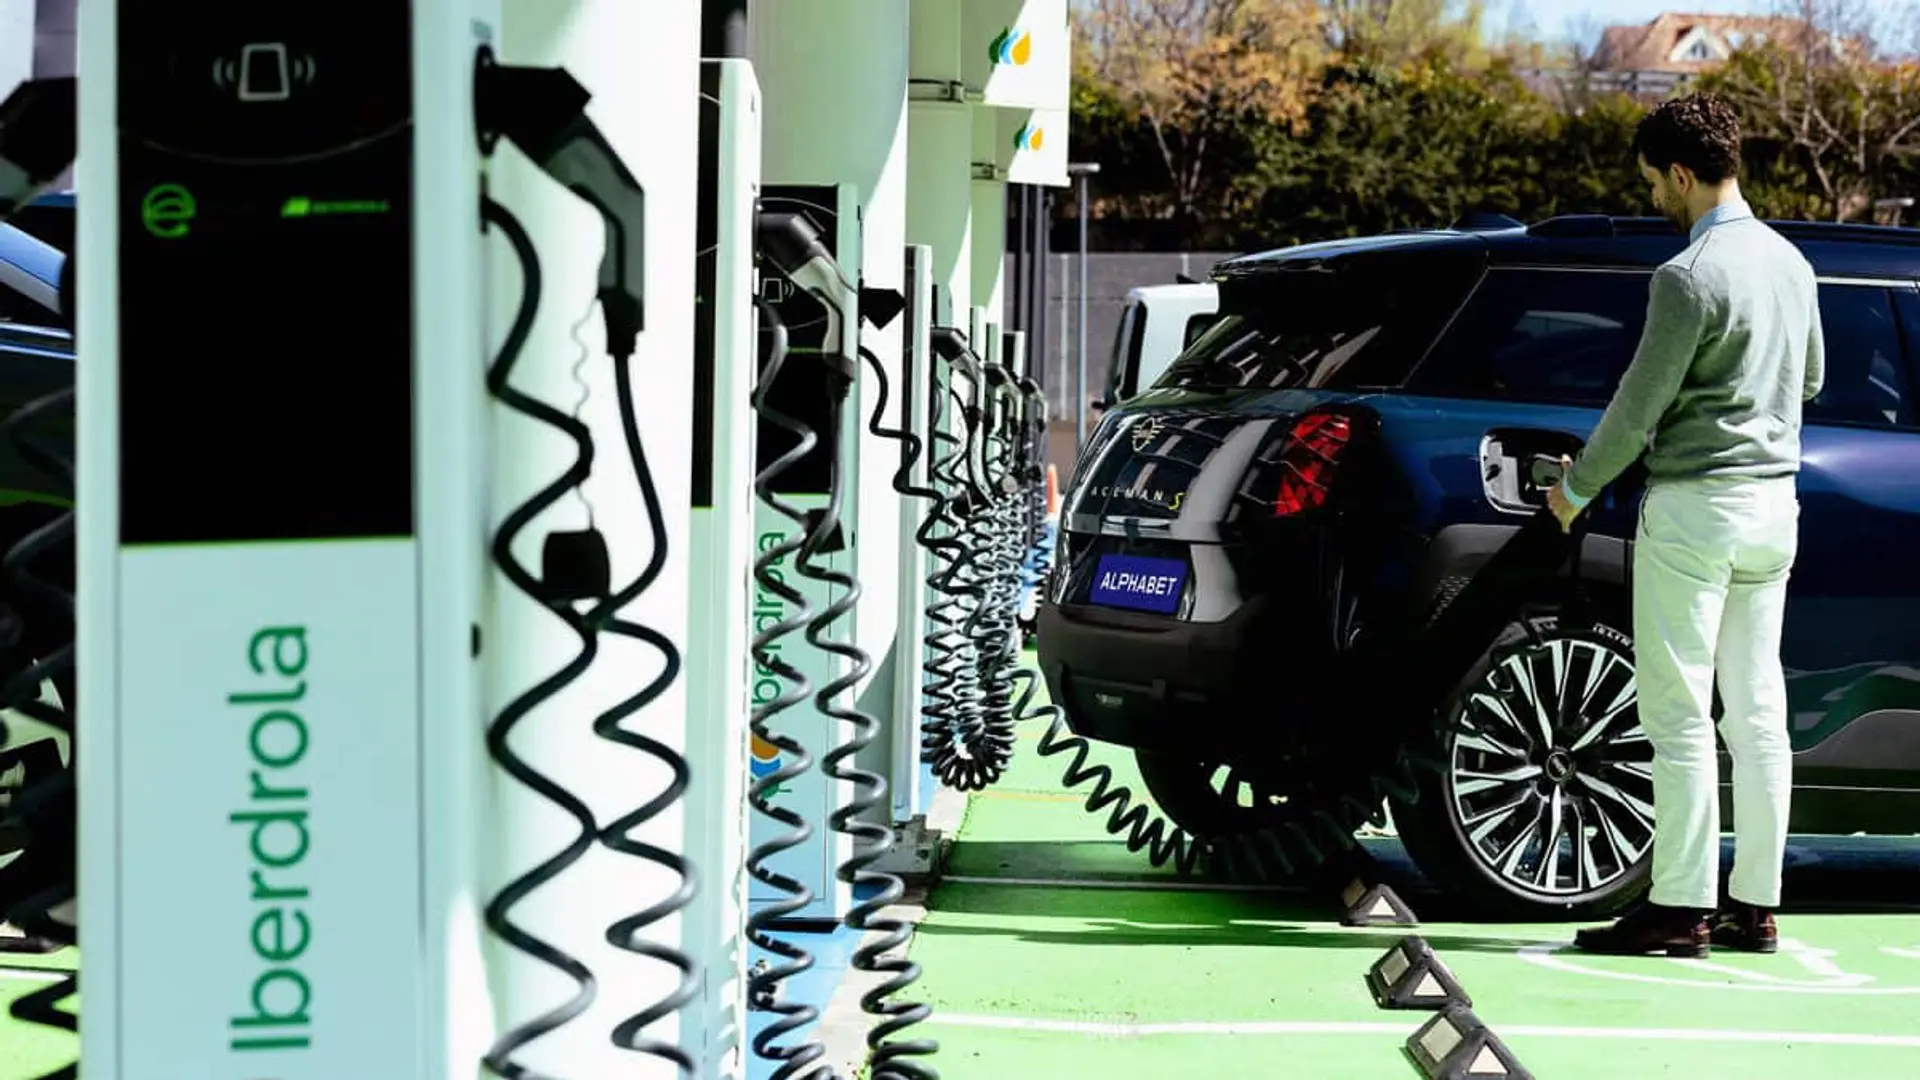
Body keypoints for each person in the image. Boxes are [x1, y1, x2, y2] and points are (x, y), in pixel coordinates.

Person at [1546, 92, 1824, 958]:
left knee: (1676, 715)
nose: (1655, 201)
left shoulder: (1687, 276)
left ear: (1680, 173)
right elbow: (1810, 380)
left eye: (1655, 186)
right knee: (1757, 711)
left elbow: (1637, 409)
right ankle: (1756, 906)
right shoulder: (1792, 263)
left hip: (1697, 511)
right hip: (1774, 510)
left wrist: (1572, 492)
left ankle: (1677, 908)